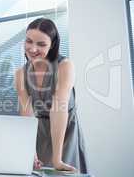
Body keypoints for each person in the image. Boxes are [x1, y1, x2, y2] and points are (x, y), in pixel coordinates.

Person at [15, 18, 89, 173]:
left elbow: (58, 108)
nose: (33, 49)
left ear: (52, 44)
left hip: (64, 134)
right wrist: (30, 148)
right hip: (37, 134)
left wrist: (57, 159)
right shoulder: (21, 73)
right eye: (29, 41)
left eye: (41, 44)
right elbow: (26, 112)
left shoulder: (64, 66)